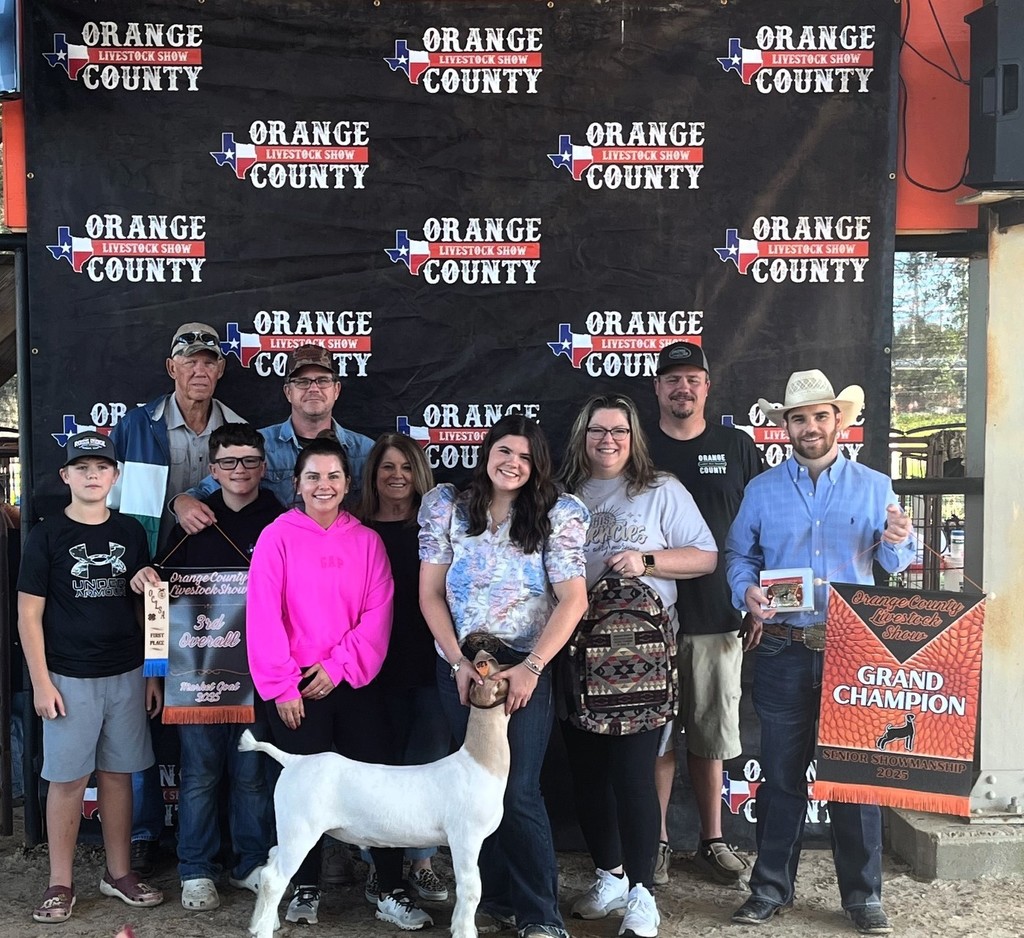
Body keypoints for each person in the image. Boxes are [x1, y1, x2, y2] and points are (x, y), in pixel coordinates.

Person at [725, 369, 914, 935]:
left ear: (840, 421)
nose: (811, 426)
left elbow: (895, 565)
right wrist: (747, 592)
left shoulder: (877, 487)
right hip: (783, 647)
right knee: (782, 776)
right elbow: (738, 557)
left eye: (820, 416)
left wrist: (901, 543)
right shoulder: (761, 491)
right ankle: (769, 890)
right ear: (785, 426)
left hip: (852, 652)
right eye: (799, 418)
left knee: (855, 778)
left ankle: (862, 897)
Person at [246, 436, 431, 930]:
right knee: (303, 796)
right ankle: (303, 887)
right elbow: (263, 616)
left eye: (333, 476)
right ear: (297, 484)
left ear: (348, 484)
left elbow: (378, 613)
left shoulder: (366, 541)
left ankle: (390, 888)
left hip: (355, 685)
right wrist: (283, 686)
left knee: (377, 789)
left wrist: (338, 666)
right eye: (313, 477)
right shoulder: (277, 536)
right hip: (296, 691)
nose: (323, 485)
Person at [418, 414, 590, 938]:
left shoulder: (559, 513)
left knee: (517, 792)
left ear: (537, 464)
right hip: (462, 662)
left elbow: (573, 598)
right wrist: (456, 663)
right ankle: (494, 899)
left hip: (524, 663)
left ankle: (541, 916)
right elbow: (429, 594)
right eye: (503, 451)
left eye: (524, 456)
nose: (511, 463)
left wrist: (532, 668)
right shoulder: (448, 506)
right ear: (486, 452)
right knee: (475, 790)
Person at [557, 394, 717, 938]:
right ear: (582, 436)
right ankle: (610, 875)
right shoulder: (563, 493)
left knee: (632, 773)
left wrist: (646, 560)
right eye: (597, 430)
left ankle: (643, 893)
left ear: (634, 437)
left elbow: (705, 556)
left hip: (643, 655)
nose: (608, 440)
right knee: (586, 772)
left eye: (619, 432)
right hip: (575, 649)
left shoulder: (661, 489)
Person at [108, 320, 245, 875]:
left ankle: (228, 839)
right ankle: (142, 832)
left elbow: (242, 497)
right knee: (142, 705)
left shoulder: (237, 427)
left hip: (212, 593)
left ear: (220, 369)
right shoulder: (137, 424)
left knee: (214, 704)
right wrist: (174, 508)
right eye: (188, 360)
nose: (199, 369)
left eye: (209, 361)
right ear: (171, 369)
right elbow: (113, 508)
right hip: (147, 587)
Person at [130, 424, 284, 911]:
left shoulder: (279, 520)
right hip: (195, 676)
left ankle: (251, 862)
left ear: (263, 465)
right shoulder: (194, 521)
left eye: (249, 461)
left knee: (252, 772)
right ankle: (195, 868)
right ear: (212, 470)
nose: (240, 471)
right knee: (198, 775)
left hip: (259, 674)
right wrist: (154, 671)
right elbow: (159, 600)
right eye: (229, 462)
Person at [17, 431, 165, 923]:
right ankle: (60, 883)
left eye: (101, 467)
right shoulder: (46, 535)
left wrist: (151, 672)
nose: (92, 475)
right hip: (68, 677)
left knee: (119, 775)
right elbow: (28, 616)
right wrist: (40, 681)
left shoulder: (130, 532)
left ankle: (118, 872)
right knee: (67, 780)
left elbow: (146, 606)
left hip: (126, 671)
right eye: (81, 468)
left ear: (115, 475)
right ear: (66, 476)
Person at [645, 341, 762, 885]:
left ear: (708, 386)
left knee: (711, 733)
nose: (682, 388)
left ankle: (712, 840)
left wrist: (759, 596)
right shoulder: (637, 448)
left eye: (692, 378)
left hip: (719, 613)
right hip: (648, 621)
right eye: (672, 380)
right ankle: (658, 841)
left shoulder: (737, 446)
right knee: (659, 736)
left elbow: (761, 527)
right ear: (657, 389)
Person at [356, 433, 451, 904]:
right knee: (379, 767)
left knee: (427, 765)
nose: (396, 476)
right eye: (387, 467)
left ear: (420, 473)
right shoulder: (354, 526)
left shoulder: (439, 527)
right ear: (372, 474)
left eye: (406, 467)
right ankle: (380, 867)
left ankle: (422, 862)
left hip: (430, 662)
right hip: (371, 667)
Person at [173, 343, 374, 531]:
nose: (314, 388)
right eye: (302, 382)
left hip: (342, 557)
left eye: (322, 380)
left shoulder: (365, 452)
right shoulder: (258, 445)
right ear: (288, 392)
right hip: (275, 557)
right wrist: (182, 503)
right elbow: (207, 489)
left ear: (336, 389)